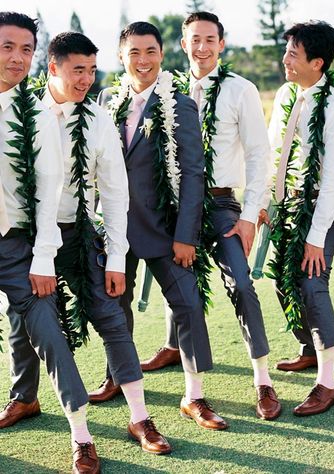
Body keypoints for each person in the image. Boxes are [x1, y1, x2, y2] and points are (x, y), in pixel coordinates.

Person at [1, 29, 172, 473]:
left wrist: (116, 257)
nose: (87, 80)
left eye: (93, 71)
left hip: (78, 235)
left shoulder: (96, 120)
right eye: (79, 70)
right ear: (53, 68)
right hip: (24, 238)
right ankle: (25, 397)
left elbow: (115, 194)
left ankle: (140, 418)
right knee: (26, 320)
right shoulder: (25, 112)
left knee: (111, 316)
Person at [140, 12, 281, 421]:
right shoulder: (164, 91)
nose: (201, 47)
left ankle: (262, 379)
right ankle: (187, 377)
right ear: (182, 45)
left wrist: (252, 214)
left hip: (221, 204)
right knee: (181, 288)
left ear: (221, 44)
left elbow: (258, 154)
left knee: (241, 283)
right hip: (174, 206)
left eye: (209, 40)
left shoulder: (241, 90)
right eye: (193, 40)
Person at [93, 21, 228, 431]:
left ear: (162, 55)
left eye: (150, 51)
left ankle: (195, 394)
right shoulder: (104, 99)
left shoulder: (180, 103)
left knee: (188, 304)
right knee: (115, 309)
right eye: (134, 52)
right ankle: (116, 377)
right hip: (115, 230)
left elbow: (192, 173)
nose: (143, 60)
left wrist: (186, 236)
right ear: (121, 57)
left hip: (165, 231)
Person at [265, 21, 334, 416]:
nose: (285, 58)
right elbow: (273, 152)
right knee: (284, 283)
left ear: (317, 62)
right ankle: (307, 348)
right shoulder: (287, 94)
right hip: (289, 203)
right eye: (286, 51)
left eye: (293, 54)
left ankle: (327, 382)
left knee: (310, 280)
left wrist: (316, 236)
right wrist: (269, 202)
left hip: (322, 204)